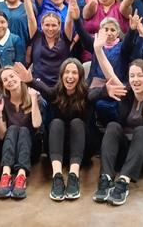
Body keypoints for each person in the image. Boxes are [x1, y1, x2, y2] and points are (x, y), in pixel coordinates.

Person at [91, 31, 143, 206]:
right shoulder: (127, 93)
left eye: (140, 75)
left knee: (142, 130)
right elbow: (110, 74)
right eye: (132, 76)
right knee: (112, 126)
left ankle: (123, 183)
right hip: (126, 154)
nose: (135, 79)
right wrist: (98, 50)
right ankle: (105, 179)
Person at [14, 59, 90, 201]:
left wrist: (106, 90)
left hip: (81, 151)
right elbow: (43, 88)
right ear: (61, 75)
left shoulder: (86, 94)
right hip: (56, 152)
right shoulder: (56, 93)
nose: (70, 76)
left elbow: (97, 94)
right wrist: (29, 81)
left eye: (74, 72)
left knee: (77, 122)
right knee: (56, 123)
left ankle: (74, 176)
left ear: (80, 76)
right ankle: (57, 176)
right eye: (67, 72)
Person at [0, 67, 42, 199]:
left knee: (23, 129)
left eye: (12, 76)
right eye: (5, 80)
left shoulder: (33, 96)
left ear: (20, 77)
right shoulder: (3, 101)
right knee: (12, 129)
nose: (10, 81)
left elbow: (36, 125)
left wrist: (34, 100)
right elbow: (2, 135)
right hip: (9, 150)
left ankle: (21, 175)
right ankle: (6, 175)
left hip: (30, 149)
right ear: (3, 85)